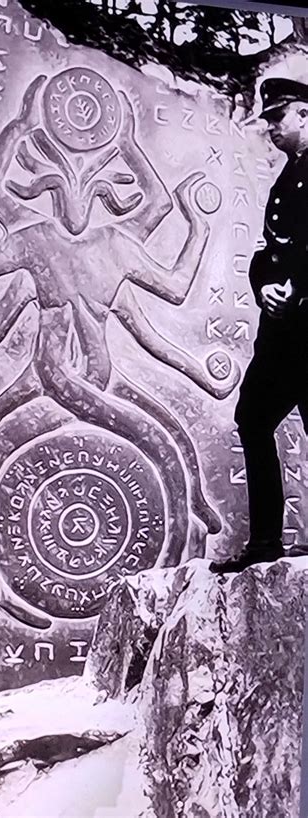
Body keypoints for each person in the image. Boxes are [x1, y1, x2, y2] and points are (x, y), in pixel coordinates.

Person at [210, 78, 308, 574]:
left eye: (278, 116)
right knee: (252, 418)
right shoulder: (286, 180)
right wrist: (265, 286)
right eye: (267, 119)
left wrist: (299, 288)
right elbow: (266, 251)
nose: (270, 127)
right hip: (283, 334)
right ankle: (266, 542)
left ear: (305, 115)